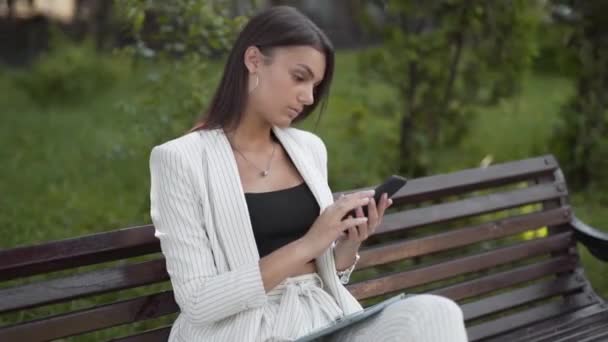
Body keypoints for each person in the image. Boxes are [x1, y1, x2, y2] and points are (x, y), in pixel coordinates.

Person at [149, 5, 468, 342]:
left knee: (436, 314)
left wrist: (348, 243)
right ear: (254, 60)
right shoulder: (179, 160)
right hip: (248, 330)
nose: (308, 96)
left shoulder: (308, 148)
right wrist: (309, 244)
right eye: (299, 77)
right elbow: (198, 301)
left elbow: (325, 270)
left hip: (325, 319)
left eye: (315, 84)